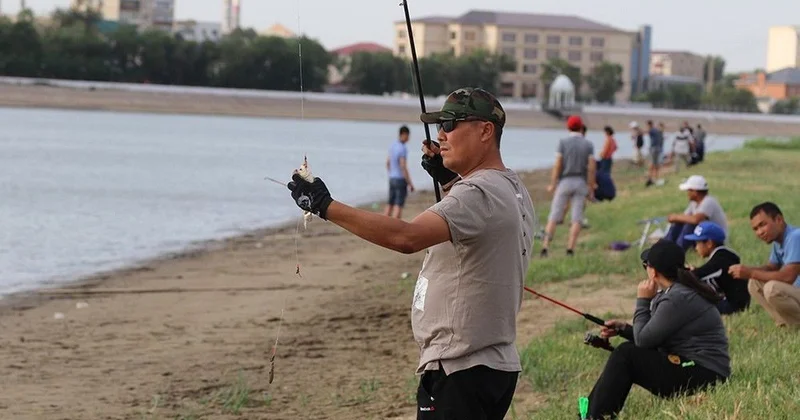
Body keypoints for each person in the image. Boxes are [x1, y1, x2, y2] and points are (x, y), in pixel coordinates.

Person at [286, 87, 535, 419]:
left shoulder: (477, 192)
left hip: (461, 367)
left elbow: (406, 237)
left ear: (485, 131)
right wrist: (449, 180)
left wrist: (324, 205)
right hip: (491, 366)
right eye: (440, 125)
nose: (441, 134)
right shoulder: (512, 187)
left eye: (451, 124)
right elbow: (478, 227)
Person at [583, 239, 730, 419]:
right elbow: (653, 335)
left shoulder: (677, 298)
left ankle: (594, 417)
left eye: (646, 265)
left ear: (653, 271)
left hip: (705, 375)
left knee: (626, 354)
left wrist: (643, 301)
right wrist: (623, 328)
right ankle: (590, 415)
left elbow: (644, 341)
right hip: (700, 369)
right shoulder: (677, 292)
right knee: (627, 353)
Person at [729, 202, 800, 327]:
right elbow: (771, 268)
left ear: (779, 220)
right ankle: (784, 323)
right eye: (755, 229)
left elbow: (788, 277)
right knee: (755, 283)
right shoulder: (778, 242)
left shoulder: (795, 237)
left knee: (772, 288)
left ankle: (796, 324)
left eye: (762, 225)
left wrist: (750, 272)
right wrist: (745, 271)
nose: (760, 232)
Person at [541, 115, 596, 257]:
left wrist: (553, 183)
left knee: (554, 215)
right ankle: (570, 249)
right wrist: (591, 187)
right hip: (581, 182)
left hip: (565, 181)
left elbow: (558, 164)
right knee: (577, 217)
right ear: (581, 127)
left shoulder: (562, 143)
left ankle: (545, 246)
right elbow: (591, 168)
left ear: (568, 127)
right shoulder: (588, 144)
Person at [684, 221, 750, 314]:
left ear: (709, 243)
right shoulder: (723, 255)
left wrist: (687, 272)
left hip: (732, 306)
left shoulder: (721, 259)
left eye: (698, 243)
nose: (696, 248)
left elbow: (699, 275)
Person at [664, 175, 728, 251]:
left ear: (695, 192)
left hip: (714, 240)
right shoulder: (694, 203)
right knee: (679, 223)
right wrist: (676, 219)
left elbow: (696, 220)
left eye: (689, 190)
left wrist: (675, 217)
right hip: (704, 235)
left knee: (690, 225)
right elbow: (685, 217)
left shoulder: (709, 201)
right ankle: (666, 247)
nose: (687, 193)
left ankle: (677, 251)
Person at [384, 125, 415, 218]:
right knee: (398, 205)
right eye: (408, 135)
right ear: (404, 134)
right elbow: (403, 166)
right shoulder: (402, 148)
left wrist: (391, 173)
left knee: (390, 203)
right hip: (400, 179)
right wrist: (410, 183)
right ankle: (395, 225)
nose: (408, 138)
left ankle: (383, 224)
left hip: (392, 178)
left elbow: (388, 163)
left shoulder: (393, 145)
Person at [645, 120, 664, 187]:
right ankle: (656, 178)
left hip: (654, 149)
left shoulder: (652, 130)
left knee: (652, 164)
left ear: (649, 125)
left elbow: (646, 132)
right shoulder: (657, 130)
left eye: (647, 125)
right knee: (656, 164)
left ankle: (650, 178)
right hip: (658, 148)